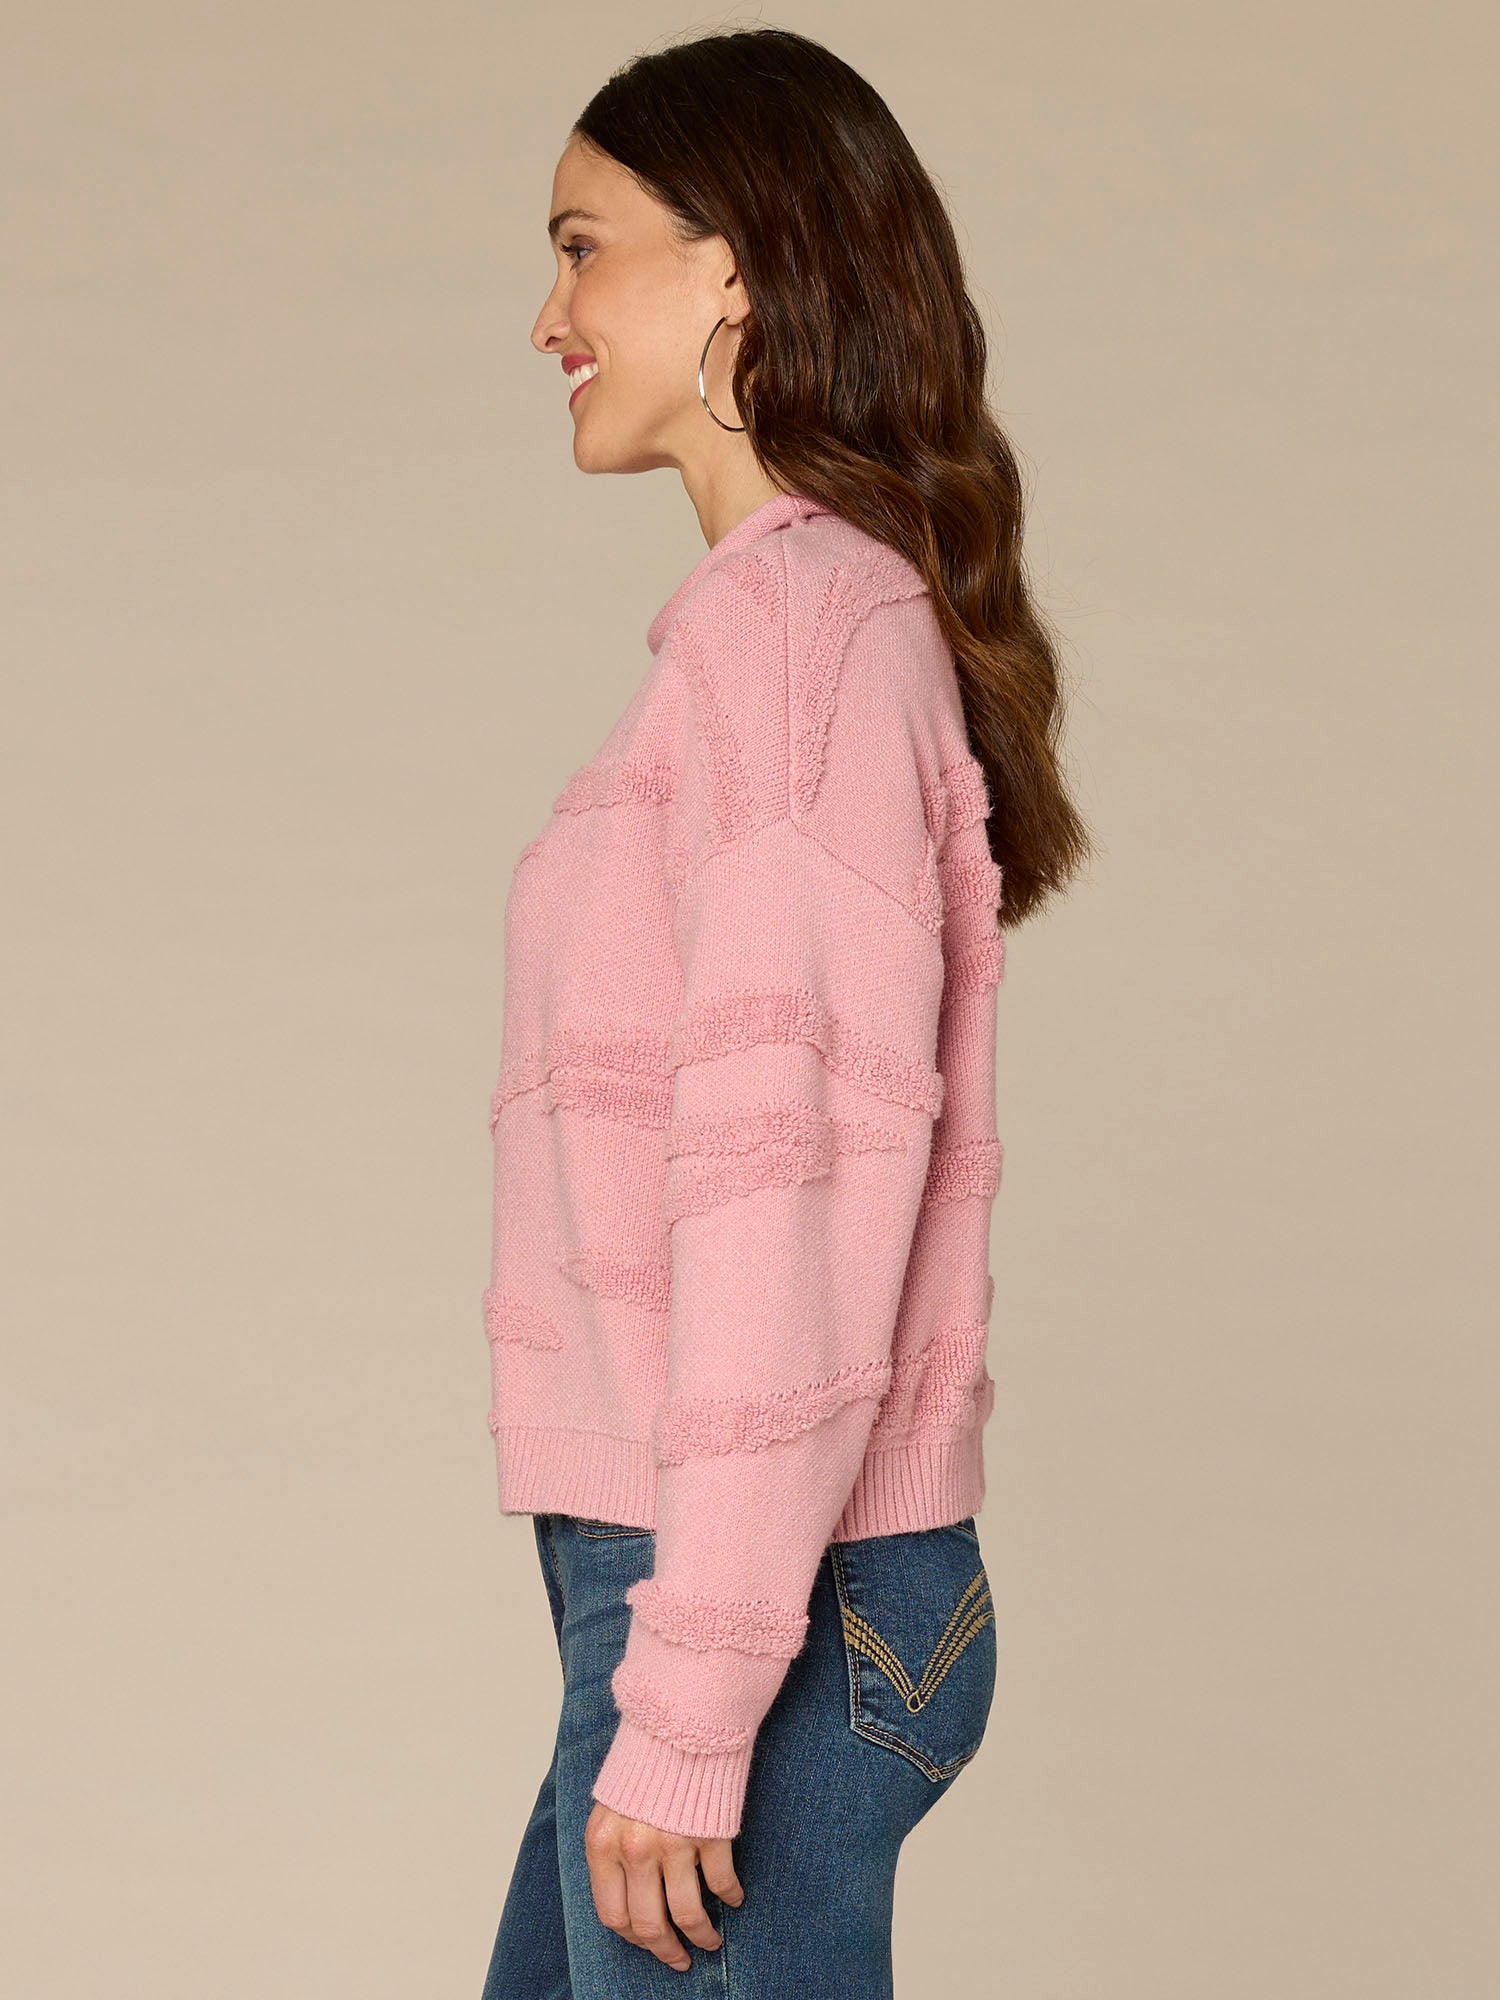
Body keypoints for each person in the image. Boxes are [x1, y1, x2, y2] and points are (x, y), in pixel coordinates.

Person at [479, 26, 1092, 1997]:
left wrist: (688, 1703)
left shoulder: (802, 638)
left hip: (760, 1598)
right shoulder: (799, 630)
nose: (550, 315)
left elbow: (790, 1202)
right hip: (733, 1590)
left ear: (730, 268)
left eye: (583, 248)